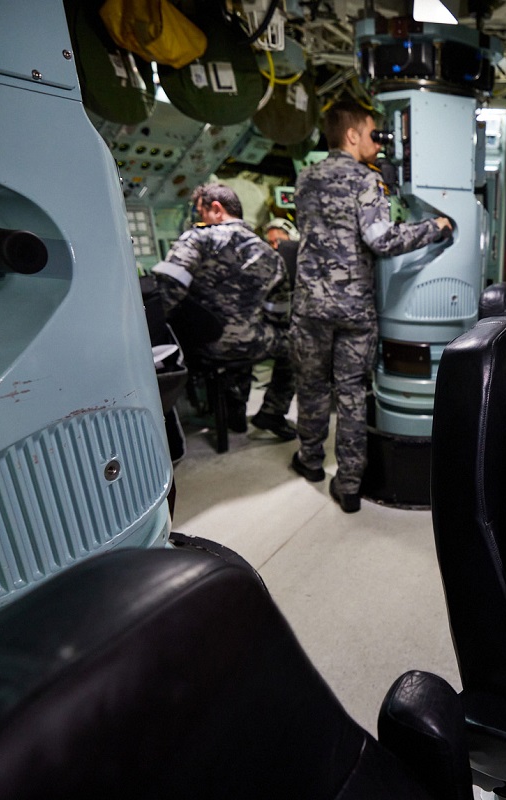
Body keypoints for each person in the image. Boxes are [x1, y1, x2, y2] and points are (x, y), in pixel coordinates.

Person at [289, 99, 452, 512]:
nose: (378, 143)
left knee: (310, 387)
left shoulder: (305, 178)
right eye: (373, 134)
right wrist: (435, 226)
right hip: (352, 310)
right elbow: (383, 240)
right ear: (352, 135)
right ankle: (348, 486)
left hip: (309, 303)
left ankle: (309, 461)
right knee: (351, 394)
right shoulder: (366, 179)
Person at [153, 183, 285, 433]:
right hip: (254, 341)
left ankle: (214, 406)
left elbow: (168, 290)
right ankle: (272, 412)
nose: (199, 218)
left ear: (216, 208)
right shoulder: (269, 252)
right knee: (293, 347)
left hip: (207, 345)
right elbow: (279, 311)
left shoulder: (198, 239)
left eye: (200, 212)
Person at [249, 218, 300, 441]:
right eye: (270, 243)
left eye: (280, 241)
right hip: (261, 330)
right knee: (294, 351)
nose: (275, 247)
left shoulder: (297, 264)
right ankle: (272, 412)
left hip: (270, 327)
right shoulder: (265, 266)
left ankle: (270, 412)